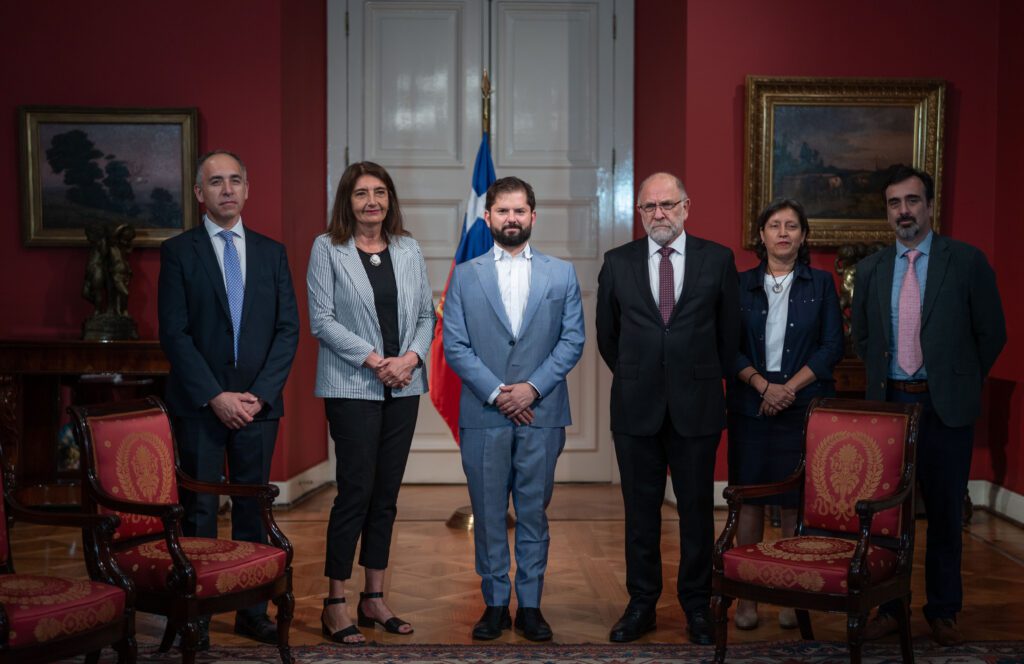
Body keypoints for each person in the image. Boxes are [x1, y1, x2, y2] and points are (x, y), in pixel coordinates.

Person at [852, 165, 1006, 646]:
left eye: (913, 201)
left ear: (930, 206)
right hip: (891, 407)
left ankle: (942, 611)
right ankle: (889, 608)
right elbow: (861, 336)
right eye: (895, 203)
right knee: (885, 517)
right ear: (887, 211)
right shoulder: (873, 268)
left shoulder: (966, 261)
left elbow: (992, 333)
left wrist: (957, 377)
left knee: (944, 515)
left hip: (944, 409)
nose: (904, 211)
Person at [158, 150, 300, 648]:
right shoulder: (179, 252)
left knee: (252, 511)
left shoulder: (271, 252)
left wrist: (259, 396)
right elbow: (174, 334)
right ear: (200, 193)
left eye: (234, 180)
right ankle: (195, 611)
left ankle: (250, 610)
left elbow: (288, 331)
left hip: (258, 407)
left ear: (247, 189)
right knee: (198, 508)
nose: (226, 189)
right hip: (200, 404)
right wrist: (215, 396)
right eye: (215, 182)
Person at [596, 172, 739, 645]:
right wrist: (643, 374)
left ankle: (697, 606)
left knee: (696, 511)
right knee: (640, 514)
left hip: (696, 407)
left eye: (666, 205)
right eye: (648, 208)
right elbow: (608, 338)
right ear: (639, 214)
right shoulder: (617, 263)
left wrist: (688, 373)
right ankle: (642, 606)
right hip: (636, 408)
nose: (658, 214)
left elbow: (728, 336)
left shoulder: (717, 260)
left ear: (686, 207)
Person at [443, 176, 585, 642]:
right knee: (487, 514)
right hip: (484, 414)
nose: (511, 218)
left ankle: (531, 606)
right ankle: (494, 604)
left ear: (532, 216)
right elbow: (456, 347)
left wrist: (532, 389)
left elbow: (572, 340)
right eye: (502, 211)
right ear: (487, 218)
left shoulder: (561, 274)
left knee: (532, 512)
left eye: (519, 211)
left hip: (542, 414)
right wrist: (500, 392)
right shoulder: (465, 275)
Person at [307, 161, 435, 644]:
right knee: (355, 491)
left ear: (390, 199)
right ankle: (335, 601)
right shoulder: (328, 248)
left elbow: (425, 313)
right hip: (351, 386)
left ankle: (373, 598)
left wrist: (411, 359)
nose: (372, 202)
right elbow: (321, 319)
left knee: (386, 495)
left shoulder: (408, 248)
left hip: (403, 385)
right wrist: (376, 359)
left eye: (380, 192)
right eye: (362, 193)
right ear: (348, 200)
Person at [726, 199, 843, 630]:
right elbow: (727, 346)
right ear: (761, 236)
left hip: (803, 402)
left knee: (796, 501)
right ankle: (748, 596)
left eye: (792, 226)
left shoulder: (823, 284)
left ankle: (792, 594)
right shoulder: (739, 285)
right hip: (750, 400)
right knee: (752, 499)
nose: (783, 233)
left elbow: (832, 346)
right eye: (774, 225)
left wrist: (788, 390)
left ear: (803, 236)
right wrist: (762, 385)